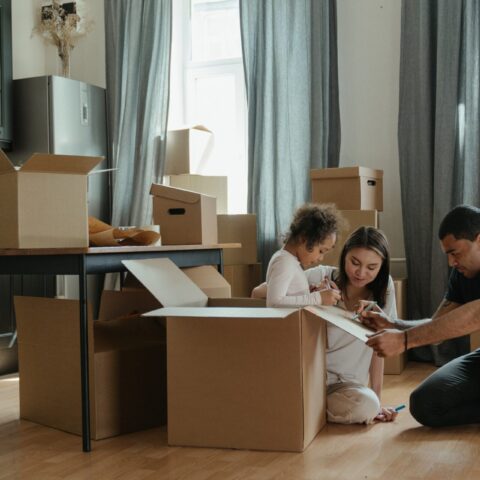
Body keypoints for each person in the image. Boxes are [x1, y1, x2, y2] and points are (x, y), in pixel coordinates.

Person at [256, 217, 398, 424]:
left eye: (371, 267)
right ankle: (305, 407)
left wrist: (377, 399)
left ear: (381, 268)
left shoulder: (385, 290)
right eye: (355, 262)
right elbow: (258, 293)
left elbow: (380, 348)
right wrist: (310, 294)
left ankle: (304, 409)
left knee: (367, 406)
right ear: (344, 256)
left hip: (346, 387)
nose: (360, 273)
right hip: (309, 378)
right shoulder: (319, 276)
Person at [364, 205, 480, 427]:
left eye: (455, 253)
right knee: (424, 404)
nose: (451, 262)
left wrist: (404, 340)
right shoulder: (461, 273)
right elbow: (438, 327)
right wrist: (395, 325)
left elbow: (476, 313)